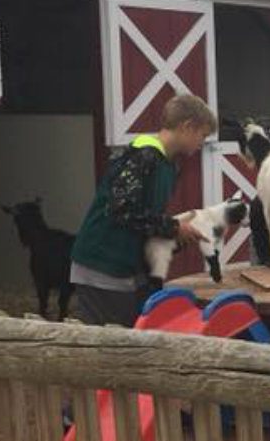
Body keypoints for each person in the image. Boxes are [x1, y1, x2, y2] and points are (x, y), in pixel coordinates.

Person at [70, 93, 216, 327]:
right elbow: (122, 210)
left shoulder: (167, 165)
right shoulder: (143, 157)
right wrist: (173, 226)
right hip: (103, 266)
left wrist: (177, 234)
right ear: (188, 127)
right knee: (113, 346)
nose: (202, 143)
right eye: (203, 135)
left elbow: (143, 219)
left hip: (127, 269)